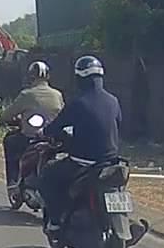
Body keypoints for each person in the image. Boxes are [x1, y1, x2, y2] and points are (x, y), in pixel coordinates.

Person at [38, 55, 121, 232]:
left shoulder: (78, 103)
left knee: (47, 177)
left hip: (84, 162)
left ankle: (55, 222)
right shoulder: (113, 100)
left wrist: (43, 133)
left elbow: (56, 127)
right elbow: (118, 123)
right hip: (111, 162)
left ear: (80, 79)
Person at [0, 61, 64, 190]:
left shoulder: (27, 94)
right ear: (48, 77)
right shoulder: (57, 95)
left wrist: (1, 119)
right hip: (52, 139)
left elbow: (8, 114)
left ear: (31, 77)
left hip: (30, 137)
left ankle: (13, 182)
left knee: (10, 140)